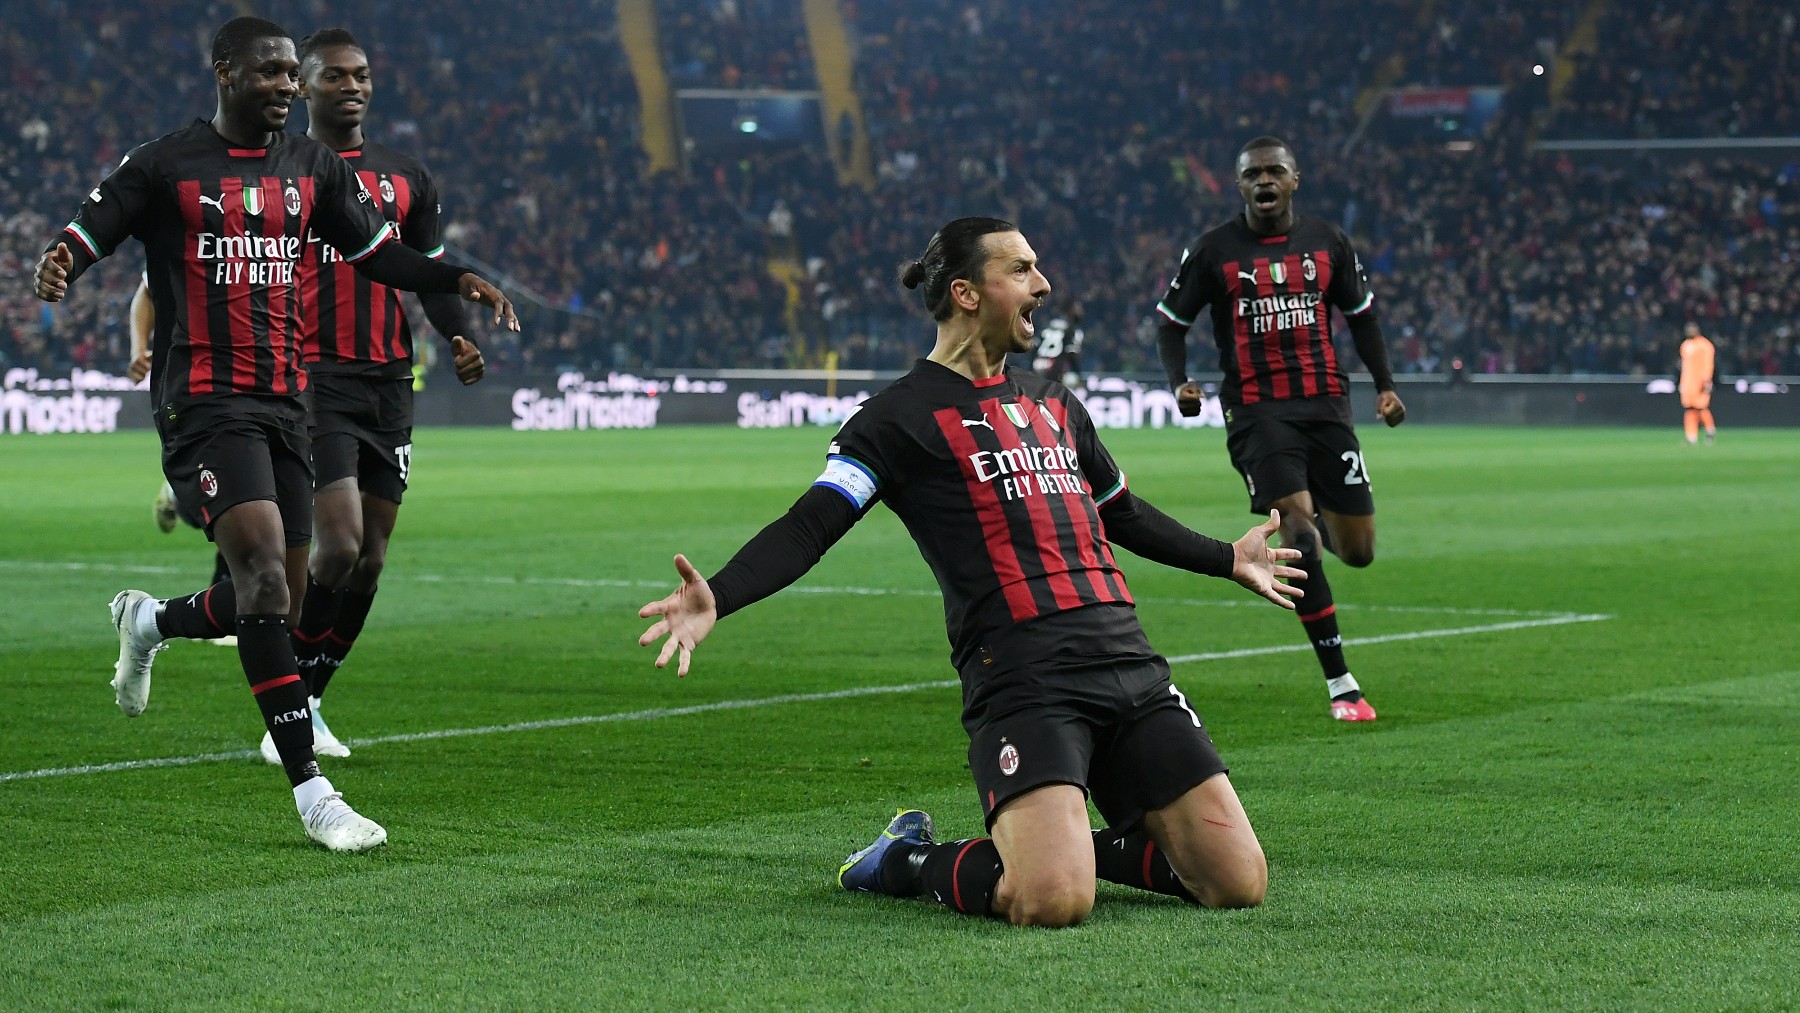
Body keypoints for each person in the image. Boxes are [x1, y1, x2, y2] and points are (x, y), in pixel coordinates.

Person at [639, 217, 1303, 927]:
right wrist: (722, 595)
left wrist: (1226, 557)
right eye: (1020, 270)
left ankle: (1066, 842)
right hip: (1026, 679)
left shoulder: (1055, 405)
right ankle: (904, 859)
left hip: (1131, 666)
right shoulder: (896, 420)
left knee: (1237, 880)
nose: (1042, 285)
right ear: (964, 291)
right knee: (1052, 900)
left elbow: (1124, 514)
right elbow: (812, 525)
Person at [33, 15, 519, 852]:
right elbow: (96, 225)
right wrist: (64, 259)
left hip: (287, 400)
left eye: (293, 74)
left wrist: (457, 278)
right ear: (225, 72)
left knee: (277, 598)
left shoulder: (311, 167)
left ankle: (147, 621)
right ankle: (314, 794)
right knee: (262, 576)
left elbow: (378, 255)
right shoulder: (167, 163)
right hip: (205, 401)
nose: (287, 87)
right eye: (271, 73)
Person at [262, 27, 488, 766]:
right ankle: (286, 704)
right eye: (336, 77)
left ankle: (311, 698)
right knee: (339, 545)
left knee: (373, 558)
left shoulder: (406, 176)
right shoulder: (277, 172)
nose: (353, 87)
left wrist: (455, 333)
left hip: (390, 381)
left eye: (361, 75)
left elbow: (424, 267)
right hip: (311, 380)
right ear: (304, 87)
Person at [1155, 135, 1405, 723]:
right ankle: (1342, 684)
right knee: (1297, 529)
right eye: (1252, 175)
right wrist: (1179, 382)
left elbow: (1362, 317)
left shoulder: (1328, 243)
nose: (1264, 182)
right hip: (1257, 413)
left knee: (1359, 551)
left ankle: (1311, 517)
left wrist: (1387, 385)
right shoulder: (1213, 251)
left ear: (1295, 179)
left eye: (1274, 172)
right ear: (1239, 185)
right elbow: (1170, 324)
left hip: (1327, 407)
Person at [133, 274, 235, 601]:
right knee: (235, 491)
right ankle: (230, 598)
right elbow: (147, 291)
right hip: (196, 384)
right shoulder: (193, 236)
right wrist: (139, 348)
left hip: (269, 383)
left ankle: (178, 494)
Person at [1029, 301, 1084, 386]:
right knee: (1051, 395)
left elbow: (1035, 345)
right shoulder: (1072, 329)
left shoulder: (1050, 324)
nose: (1081, 311)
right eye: (1077, 309)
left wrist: (1030, 366)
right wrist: (1079, 374)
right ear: (1070, 311)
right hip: (1054, 365)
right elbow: (1071, 353)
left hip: (1037, 362)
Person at [1679, 322, 1716, 445]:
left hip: (1700, 382)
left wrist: (1707, 381)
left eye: (1692, 329)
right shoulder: (1685, 345)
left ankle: (1710, 430)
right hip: (1687, 382)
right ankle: (1691, 437)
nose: (1690, 331)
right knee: (1689, 409)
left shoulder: (1705, 346)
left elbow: (1708, 364)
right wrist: (1682, 382)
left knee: (1701, 408)